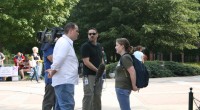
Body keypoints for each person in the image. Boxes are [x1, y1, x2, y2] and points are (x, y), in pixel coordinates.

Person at [46, 22, 79, 110]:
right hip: (65, 81)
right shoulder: (64, 42)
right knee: (67, 106)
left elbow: (58, 60)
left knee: (60, 106)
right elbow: (59, 60)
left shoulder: (63, 42)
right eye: (77, 31)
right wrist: (52, 71)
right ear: (71, 30)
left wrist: (53, 71)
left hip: (63, 80)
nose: (78, 33)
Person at [80, 28, 104, 110]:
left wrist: (103, 67)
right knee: (88, 95)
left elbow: (101, 59)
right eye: (89, 34)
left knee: (97, 95)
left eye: (93, 33)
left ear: (97, 35)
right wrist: (98, 71)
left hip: (98, 75)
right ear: (88, 35)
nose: (91, 35)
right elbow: (86, 62)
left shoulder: (99, 46)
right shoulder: (85, 46)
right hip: (89, 75)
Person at [115, 38, 138, 110]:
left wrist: (134, 86)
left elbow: (132, 71)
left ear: (122, 46)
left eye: (117, 45)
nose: (115, 47)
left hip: (123, 88)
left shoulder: (125, 57)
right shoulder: (123, 57)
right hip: (121, 88)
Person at [42, 44, 56, 109]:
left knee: (57, 102)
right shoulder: (47, 46)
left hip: (58, 79)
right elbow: (52, 59)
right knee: (49, 101)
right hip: (51, 79)